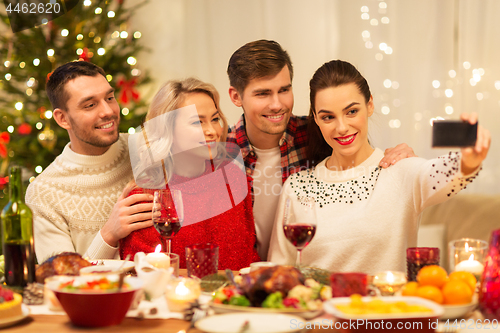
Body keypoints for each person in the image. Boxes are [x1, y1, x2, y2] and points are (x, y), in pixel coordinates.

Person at [268, 60, 490, 273]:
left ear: (370, 105)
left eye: (352, 111)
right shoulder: (297, 186)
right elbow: (279, 271)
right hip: (318, 310)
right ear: (315, 118)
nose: (342, 127)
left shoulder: (400, 170)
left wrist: (470, 159)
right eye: (328, 117)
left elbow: (446, 174)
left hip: (386, 310)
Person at [226, 39, 417, 260]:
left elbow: (361, 169)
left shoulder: (317, 133)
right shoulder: (216, 156)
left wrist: (403, 159)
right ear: (236, 96)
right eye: (263, 94)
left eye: (284, 90)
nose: (277, 104)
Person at [119, 78, 260, 270]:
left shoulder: (232, 178)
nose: (212, 131)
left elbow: (249, 257)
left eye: (215, 119)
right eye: (197, 122)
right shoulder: (144, 197)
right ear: (168, 129)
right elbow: (140, 273)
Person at [26, 61, 154, 263]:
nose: (108, 111)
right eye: (90, 105)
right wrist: (109, 235)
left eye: (110, 98)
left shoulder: (145, 148)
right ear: (62, 119)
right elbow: (64, 280)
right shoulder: (43, 192)